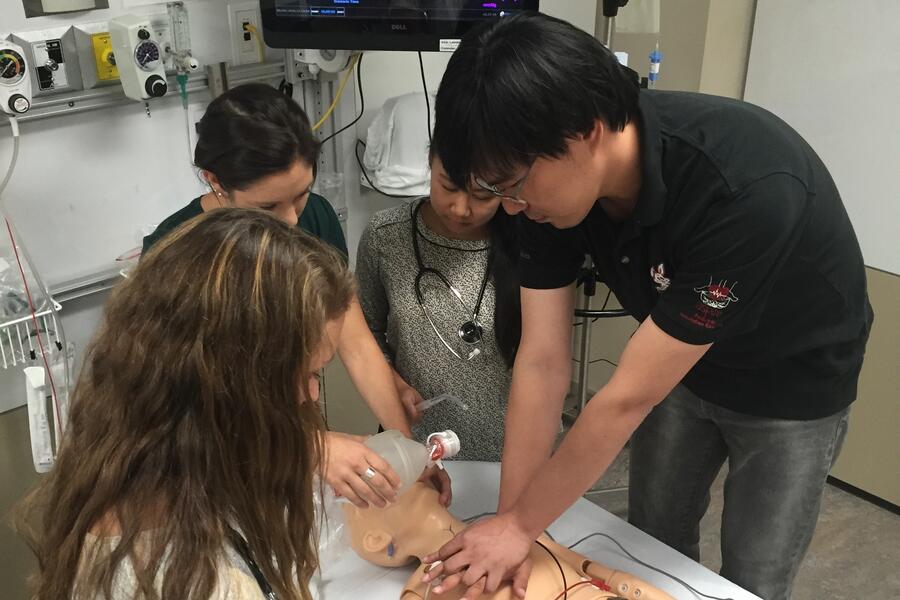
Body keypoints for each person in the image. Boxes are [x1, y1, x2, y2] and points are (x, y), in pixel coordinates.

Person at [420, 12, 873, 600]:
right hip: (681, 366)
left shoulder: (746, 189)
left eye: (512, 184)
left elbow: (629, 394)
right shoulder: (547, 196)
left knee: (753, 575)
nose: (510, 206)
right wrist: (512, 527)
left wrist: (520, 529)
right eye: (496, 190)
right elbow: (542, 361)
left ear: (584, 132)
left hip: (791, 383)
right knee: (654, 543)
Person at [17, 209, 353, 600]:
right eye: (307, 375)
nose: (310, 395)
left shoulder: (128, 473)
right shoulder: (205, 584)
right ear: (236, 384)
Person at [142, 83, 448, 508]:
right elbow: (183, 409)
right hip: (210, 450)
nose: (290, 222)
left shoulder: (317, 218)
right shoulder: (176, 250)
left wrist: (411, 453)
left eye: (300, 195)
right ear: (215, 181)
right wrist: (310, 448)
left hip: (288, 435)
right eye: (267, 208)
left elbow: (355, 342)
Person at [355, 151, 521, 460]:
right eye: (448, 186)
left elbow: (545, 359)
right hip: (414, 442)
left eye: (483, 195)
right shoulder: (385, 237)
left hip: (508, 447)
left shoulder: (531, 242)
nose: (461, 208)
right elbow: (363, 334)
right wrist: (395, 384)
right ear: (430, 162)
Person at [342, 481, 674, 600]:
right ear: (375, 539)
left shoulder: (513, 531)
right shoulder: (425, 586)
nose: (394, 469)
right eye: (365, 485)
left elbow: (601, 573)